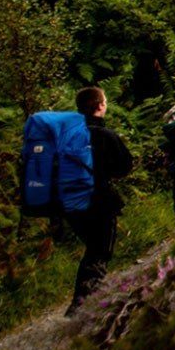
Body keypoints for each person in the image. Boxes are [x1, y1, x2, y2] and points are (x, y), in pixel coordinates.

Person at [67, 86, 134, 316]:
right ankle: (81, 306)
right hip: (99, 202)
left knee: (93, 249)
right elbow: (125, 166)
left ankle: (85, 300)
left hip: (71, 203)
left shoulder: (68, 135)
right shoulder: (106, 136)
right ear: (100, 106)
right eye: (105, 101)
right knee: (99, 253)